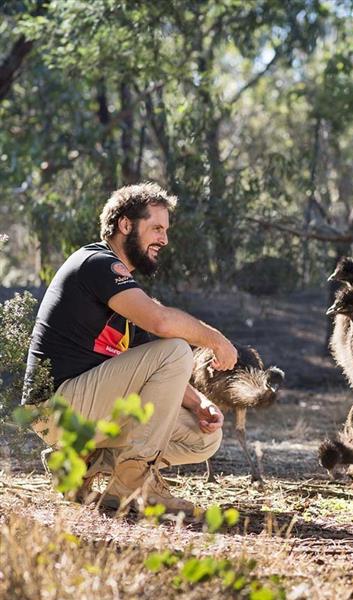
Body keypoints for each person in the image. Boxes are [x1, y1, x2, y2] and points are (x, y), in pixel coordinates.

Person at [23, 182, 238, 513]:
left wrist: (200, 404)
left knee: (203, 437)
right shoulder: (97, 263)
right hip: (56, 407)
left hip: (86, 411)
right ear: (125, 225)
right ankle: (134, 484)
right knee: (176, 348)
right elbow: (163, 325)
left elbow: (155, 372)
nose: (164, 239)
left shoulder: (126, 298)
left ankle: (82, 461)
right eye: (155, 228)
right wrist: (215, 340)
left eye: (165, 230)